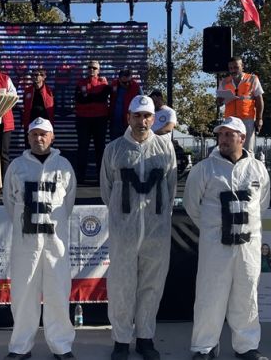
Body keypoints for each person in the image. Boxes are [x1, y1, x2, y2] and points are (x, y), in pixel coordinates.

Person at [184, 116, 271, 360]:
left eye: (229, 134)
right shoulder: (204, 169)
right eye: (220, 134)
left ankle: (246, 346)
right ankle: (204, 347)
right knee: (210, 295)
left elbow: (261, 204)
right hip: (216, 246)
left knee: (247, 295)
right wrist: (214, 228)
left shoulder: (257, 169)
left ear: (242, 138)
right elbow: (192, 205)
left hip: (248, 245)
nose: (223, 139)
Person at [100, 95, 177, 360]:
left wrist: (157, 220)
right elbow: (106, 189)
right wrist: (124, 219)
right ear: (128, 117)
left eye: (147, 116)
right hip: (124, 232)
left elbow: (170, 188)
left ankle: (145, 337)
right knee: (122, 286)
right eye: (137, 116)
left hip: (156, 232)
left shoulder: (165, 149)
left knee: (151, 286)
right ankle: (121, 340)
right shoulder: (114, 150)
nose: (142, 121)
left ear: (154, 119)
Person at [3, 118, 77, 360]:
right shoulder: (16, 166)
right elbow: (10, 201)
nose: (39, 138)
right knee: (23, 296)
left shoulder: (64, 166)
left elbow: (67, 204)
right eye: (34, 134)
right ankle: (20, 347)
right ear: (28, 137)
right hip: (26, 244)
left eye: (43, 134)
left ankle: (62, 346)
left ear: (52, 137)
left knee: (57, 294)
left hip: (55, 244)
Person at [217, 57, 264, 152]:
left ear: (242, 66)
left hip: (247, 119)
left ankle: (248, 166)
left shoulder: (252, 79)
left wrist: (259, 119)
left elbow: (259, 100)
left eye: (235, 67)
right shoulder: (224, 81)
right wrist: (220, 100)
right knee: (230, 149)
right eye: (230, 68)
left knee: (247, 150)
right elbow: (218, 103)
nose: (233, 70)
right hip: (230, 120)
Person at [75, 60, 111, 184]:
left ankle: (101, 177)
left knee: (100, 148)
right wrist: (93, 97)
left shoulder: (103, 82)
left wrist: (89, 97)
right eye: (90, 67)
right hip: (83, 119)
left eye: (94, 68)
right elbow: (79, 99)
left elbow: (103, 97)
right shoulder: (81, 82)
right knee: (82, 148)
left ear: (98, 70)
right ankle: (80, 177)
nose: (92, 70)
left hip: (100, 119)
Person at [21, 68, 55, 145]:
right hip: (30, 123)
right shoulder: (27, 91)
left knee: (46, 146)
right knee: (29, 147)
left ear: (43, 77)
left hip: (45, 125)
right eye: (34, 75)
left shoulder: (50, 91)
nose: (36, 77)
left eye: (39, 75)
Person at [108, 67, 142, 140]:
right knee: (114, 144)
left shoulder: (136, 87)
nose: (127, 84)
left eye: (129, 82)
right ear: (119, 80)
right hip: (115, 122)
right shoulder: (113, 85)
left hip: (130, 122)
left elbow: (142, 102)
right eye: (124, 82)